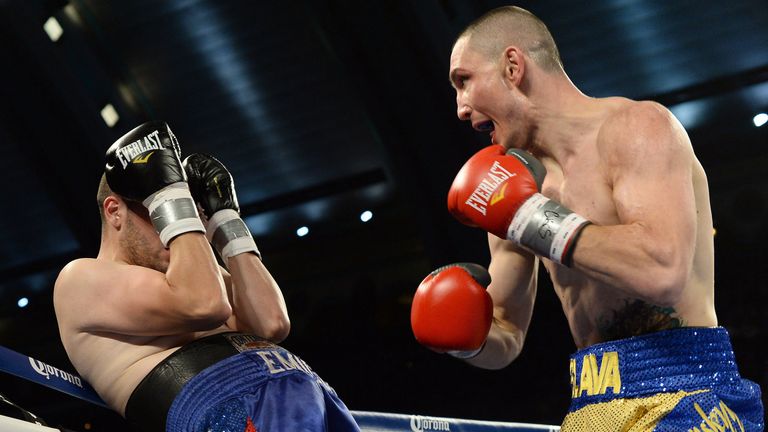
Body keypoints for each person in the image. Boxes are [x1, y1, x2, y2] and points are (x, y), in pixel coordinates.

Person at [410, 6, 764, 431]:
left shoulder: (637, 128)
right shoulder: (508, 185)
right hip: (591, 402)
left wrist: (531, 217)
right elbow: (508, 332)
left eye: (464, 81)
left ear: (512, 66)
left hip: (691, 393)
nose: (460, 108)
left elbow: (662, 271)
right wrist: (466, 337)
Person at [53, 121, 360, 432]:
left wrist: (225, 220)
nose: (176, 229)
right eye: (160, 211)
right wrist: (168, 194)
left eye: (188, 213)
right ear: (114, 211)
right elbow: (205, 305)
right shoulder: (80, 278)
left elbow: (272, 323)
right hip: (229, 411)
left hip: (313, 396)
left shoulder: (195, 279)